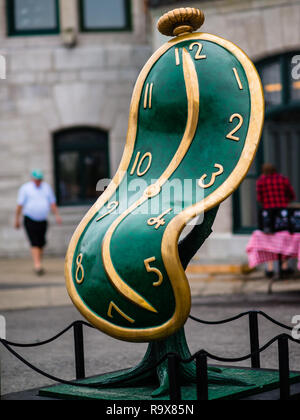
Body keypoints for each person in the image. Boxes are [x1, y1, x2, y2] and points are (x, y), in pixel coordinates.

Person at [15, 170, 62, 275]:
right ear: (32, 179)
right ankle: (37, 265)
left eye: (39, 180)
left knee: (41, 243)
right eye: (36, 180)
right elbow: (20, 205)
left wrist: (57, 215)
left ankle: (39, 262)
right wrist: (17, 220)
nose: (38, 182)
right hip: (30, 218)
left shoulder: (46, 188)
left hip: (42, 219)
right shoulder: (26, 188)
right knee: (34, 242)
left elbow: (52, 203)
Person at [256, 163, 296, 278]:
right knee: (283, 238)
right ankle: (284, 266)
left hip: (268, 214)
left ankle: (270, 268)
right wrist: (284, 200)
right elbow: (291, 195)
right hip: (282, 213)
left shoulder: (261, 181)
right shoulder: (282, 179)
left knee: (269, 240)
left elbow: (259, 198)